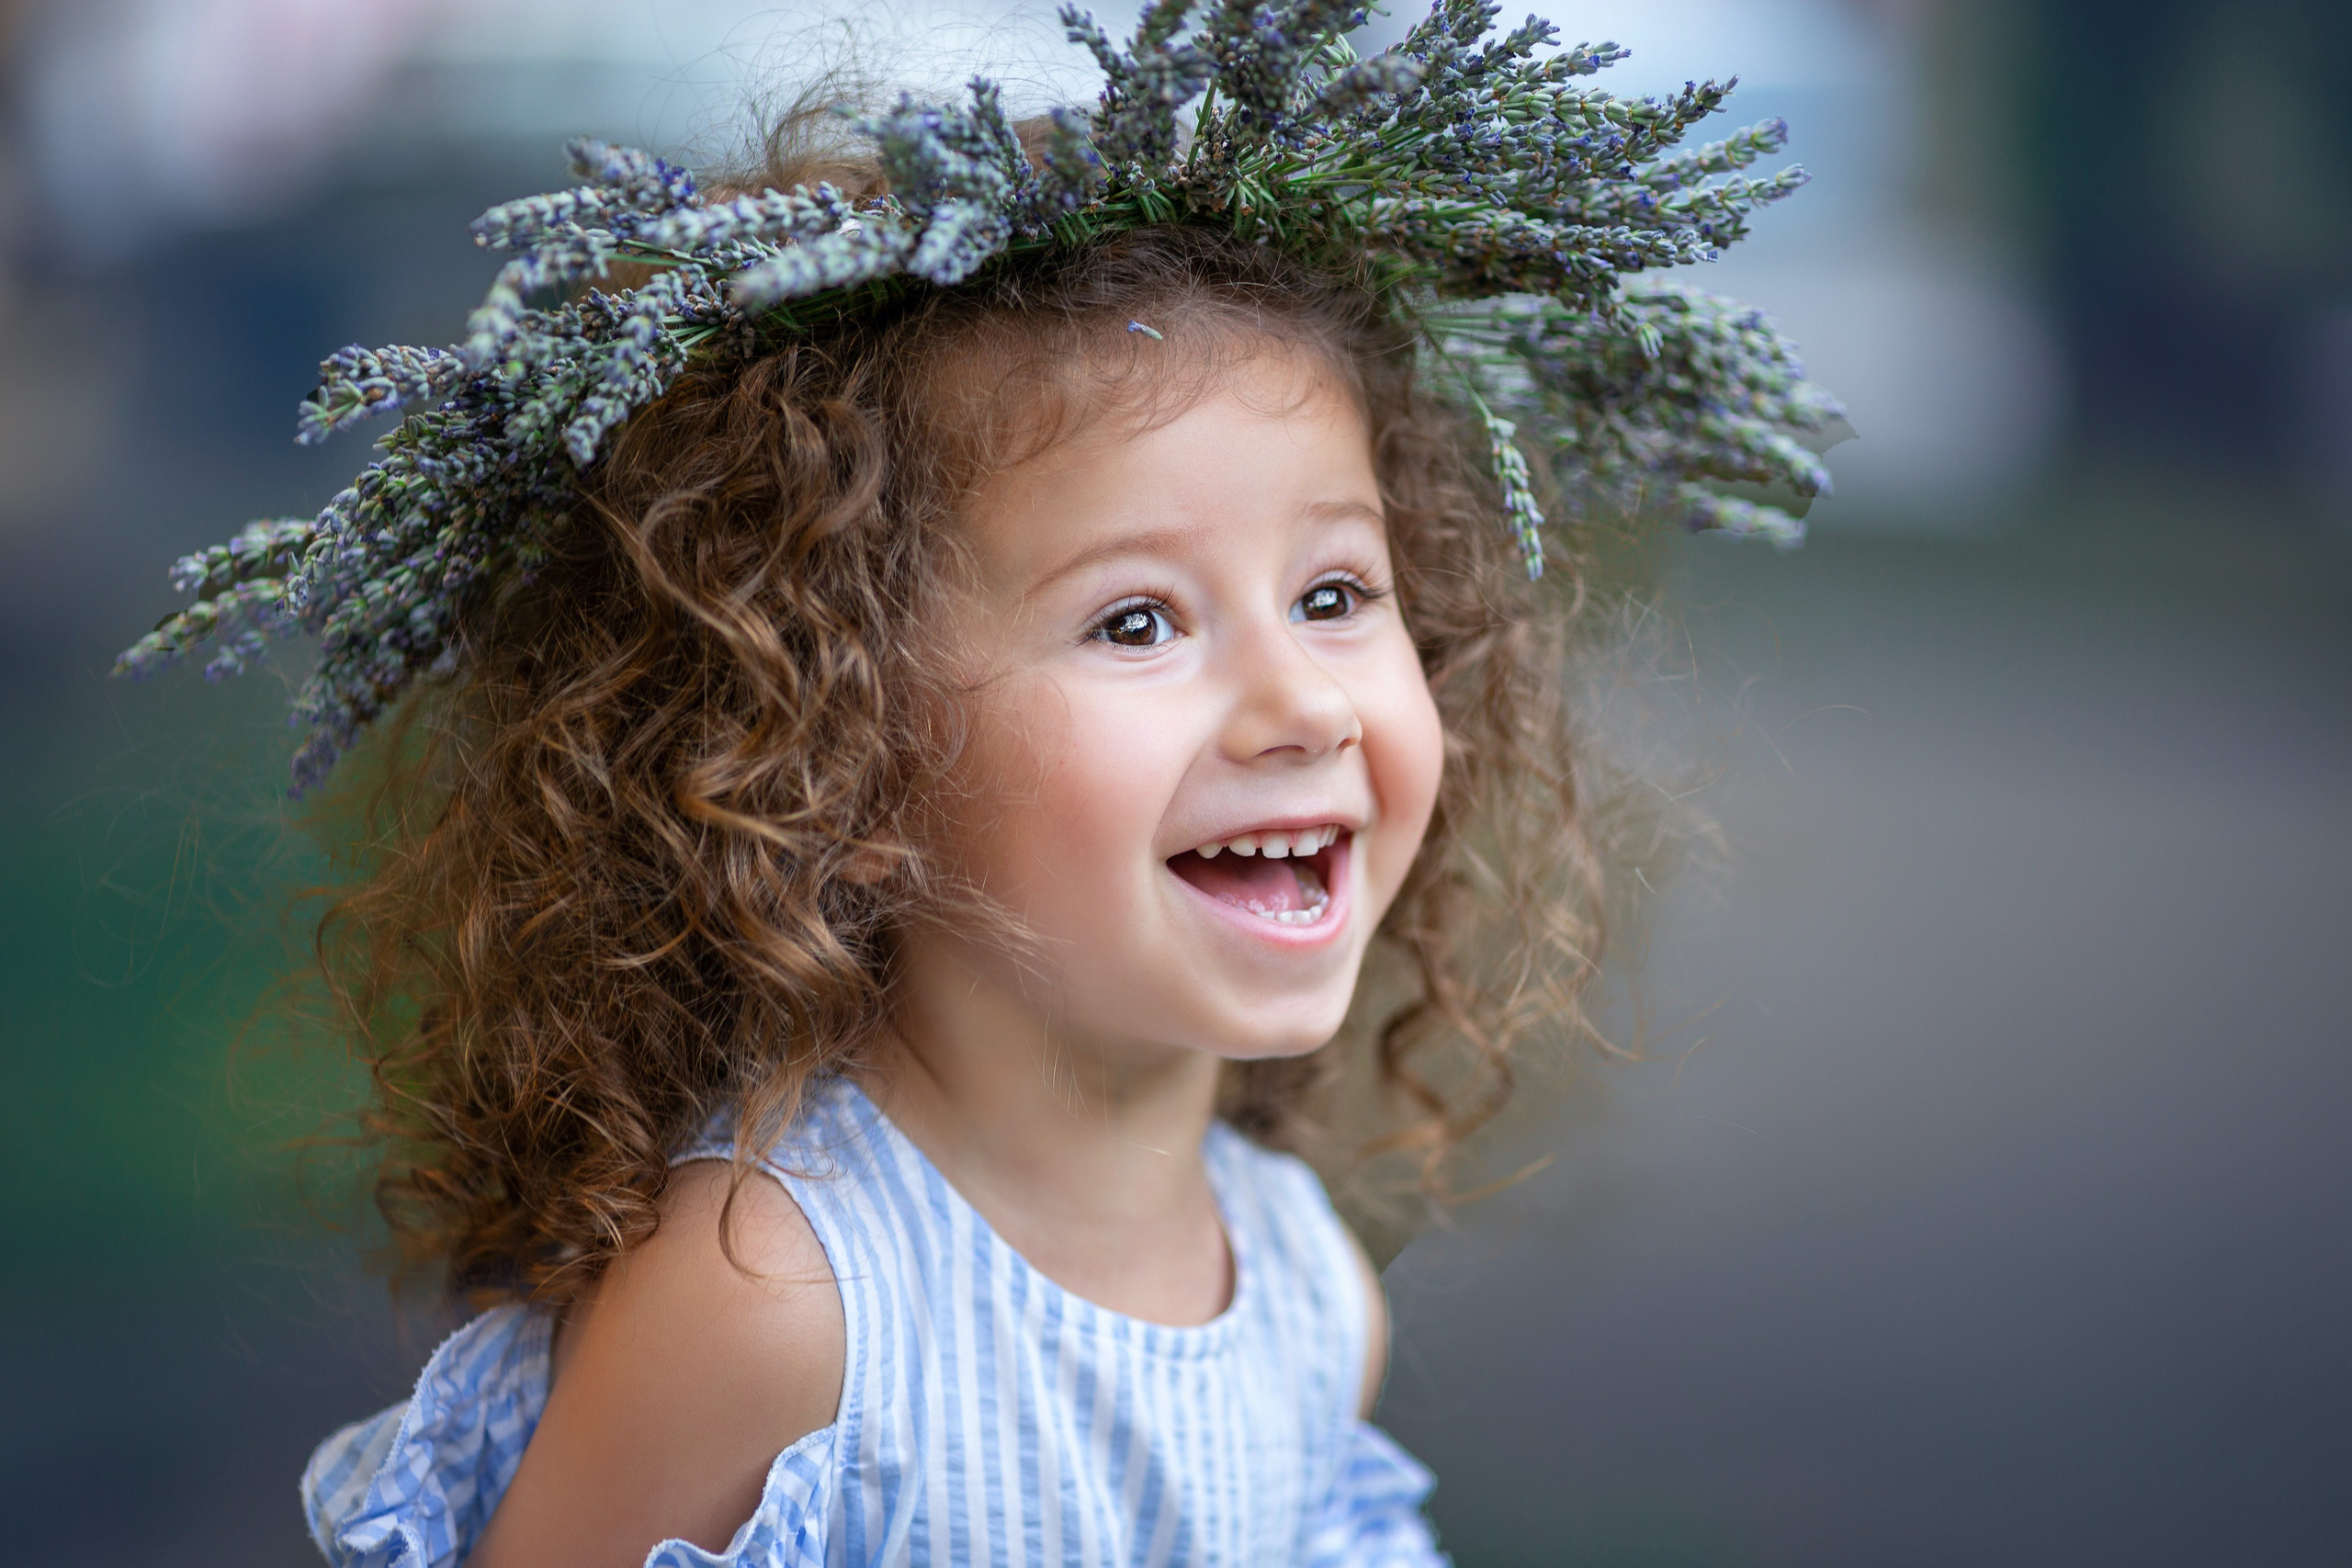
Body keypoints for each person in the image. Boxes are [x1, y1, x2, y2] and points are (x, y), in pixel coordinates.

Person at [119, 4, 1835, 1562]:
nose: (1298, 696)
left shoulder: (1307, 1290)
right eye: (1140, 619)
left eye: (1335, 593)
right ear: (833, 756)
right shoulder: (779, 1311)